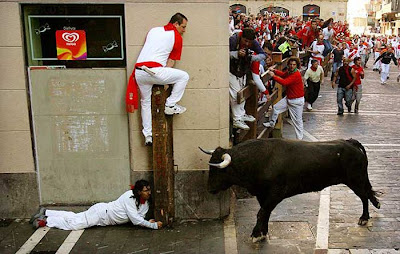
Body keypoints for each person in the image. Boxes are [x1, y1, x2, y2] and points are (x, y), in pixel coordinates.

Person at [126, 13, 189, 146]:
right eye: (183, 27)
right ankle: (170, 104)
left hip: (139, 71)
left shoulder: (154, 30)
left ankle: (148, 135)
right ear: (176, 24)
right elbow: (170, 62)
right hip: (154, 71)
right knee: (184, 76)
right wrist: (165, 81)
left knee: (145, 102)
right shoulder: (177, 37)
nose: (184, 30)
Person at [30, 180, 162, 231]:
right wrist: (152, 225)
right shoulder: (129, 197)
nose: (148, 193)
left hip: (103, 218)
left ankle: (47, 212)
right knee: (76, 225)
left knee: (76, 217)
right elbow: (135, 219)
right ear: (139, 192)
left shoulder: (146, 204)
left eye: (149, 190)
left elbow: (139, 218)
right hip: (101, 214)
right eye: (146, 191)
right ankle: (46, 221)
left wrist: (146, 221)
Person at [229, 28, 266, 130]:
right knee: (236, 93)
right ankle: (237, 119)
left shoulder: (253, 42)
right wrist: (236, 54)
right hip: (231, 69)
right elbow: (223, 54)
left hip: (242, 70)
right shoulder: (233, 40)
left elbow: (263, 55)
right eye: (245, 41)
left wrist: (250, 57)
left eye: (249, 42)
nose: (247, 43)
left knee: (242, 92)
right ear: (242, 37)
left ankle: (241, 114)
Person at [263, 57, 305, 140]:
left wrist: (273, 76)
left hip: (296, 101)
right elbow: (283, 75)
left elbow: (284, 82)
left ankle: (300, 140)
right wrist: (274, 71)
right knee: (276, 108)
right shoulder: (290, 71)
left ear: (296, 65)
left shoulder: (296, 74)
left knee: (297, 122)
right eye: (290, 64)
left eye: (294, 65)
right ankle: (272, 123)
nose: (292, 66)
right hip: (289, 98)